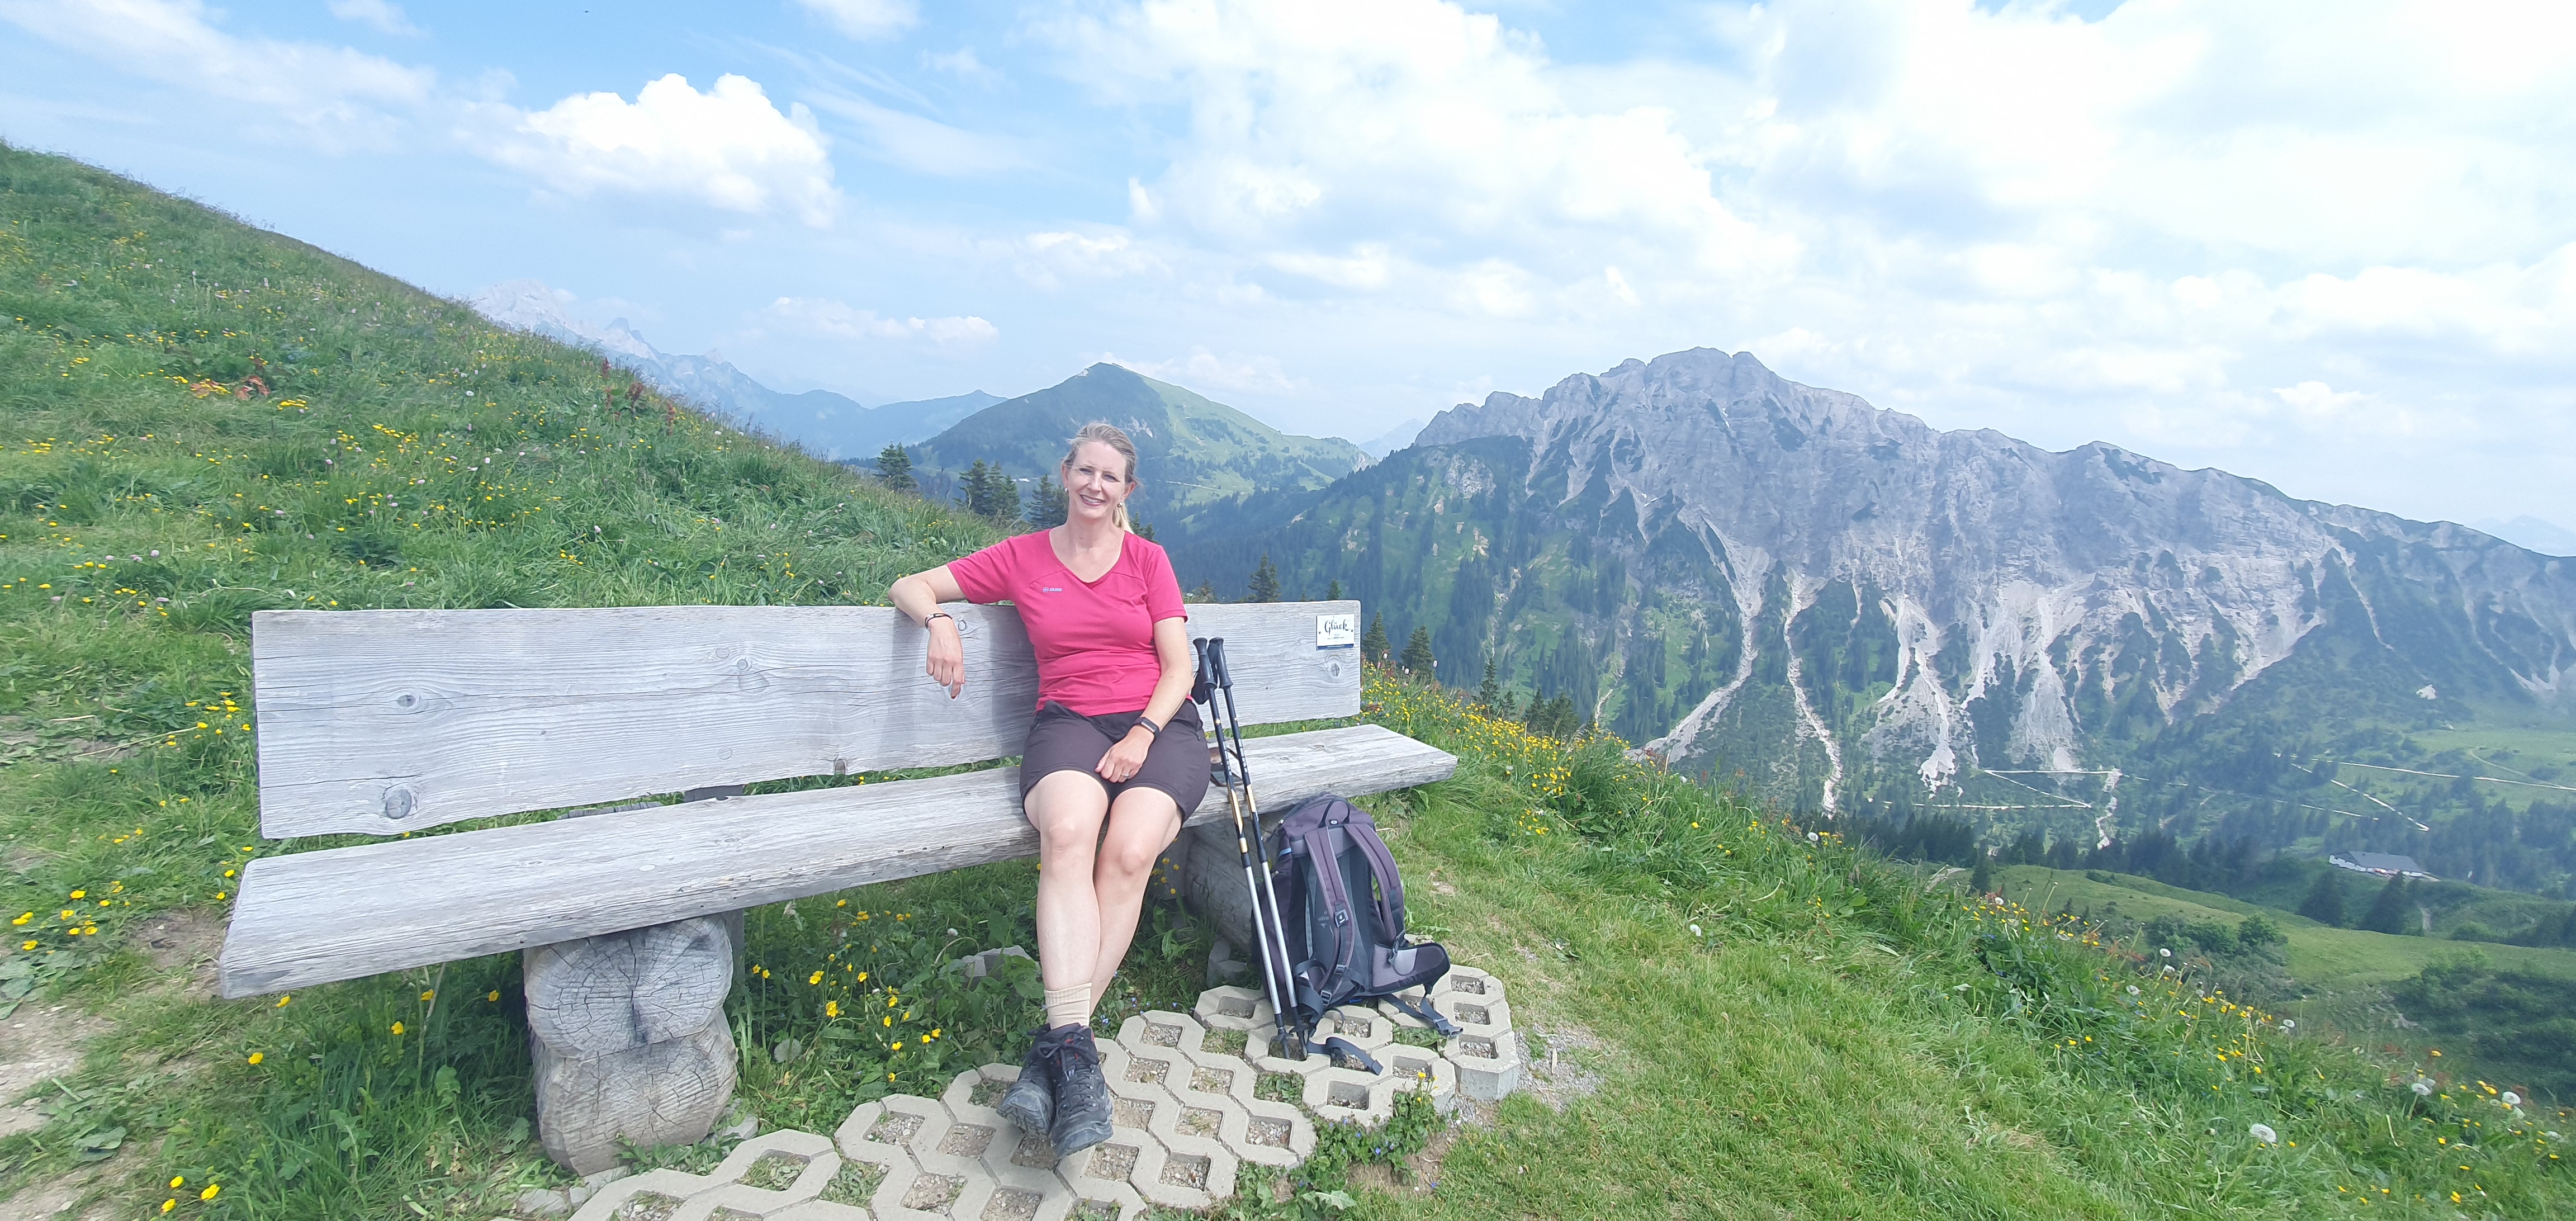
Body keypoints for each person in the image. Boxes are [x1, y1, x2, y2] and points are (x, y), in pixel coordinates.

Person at [886, 422, 1208, 1157]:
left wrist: (1142, 736)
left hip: (1160, 726)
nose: (1095, 485)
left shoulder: (1148, 560)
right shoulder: (1023, 557)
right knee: (1067, 833)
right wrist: (940, 622)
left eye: (1110, 477)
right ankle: (1074, 1052)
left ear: (1128, 491)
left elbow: (1180, 668)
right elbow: (910, 584)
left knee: (1130, 852)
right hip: (1068, 722)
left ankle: (1054, 1053)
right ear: (1065, 475)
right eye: (1084, 471)